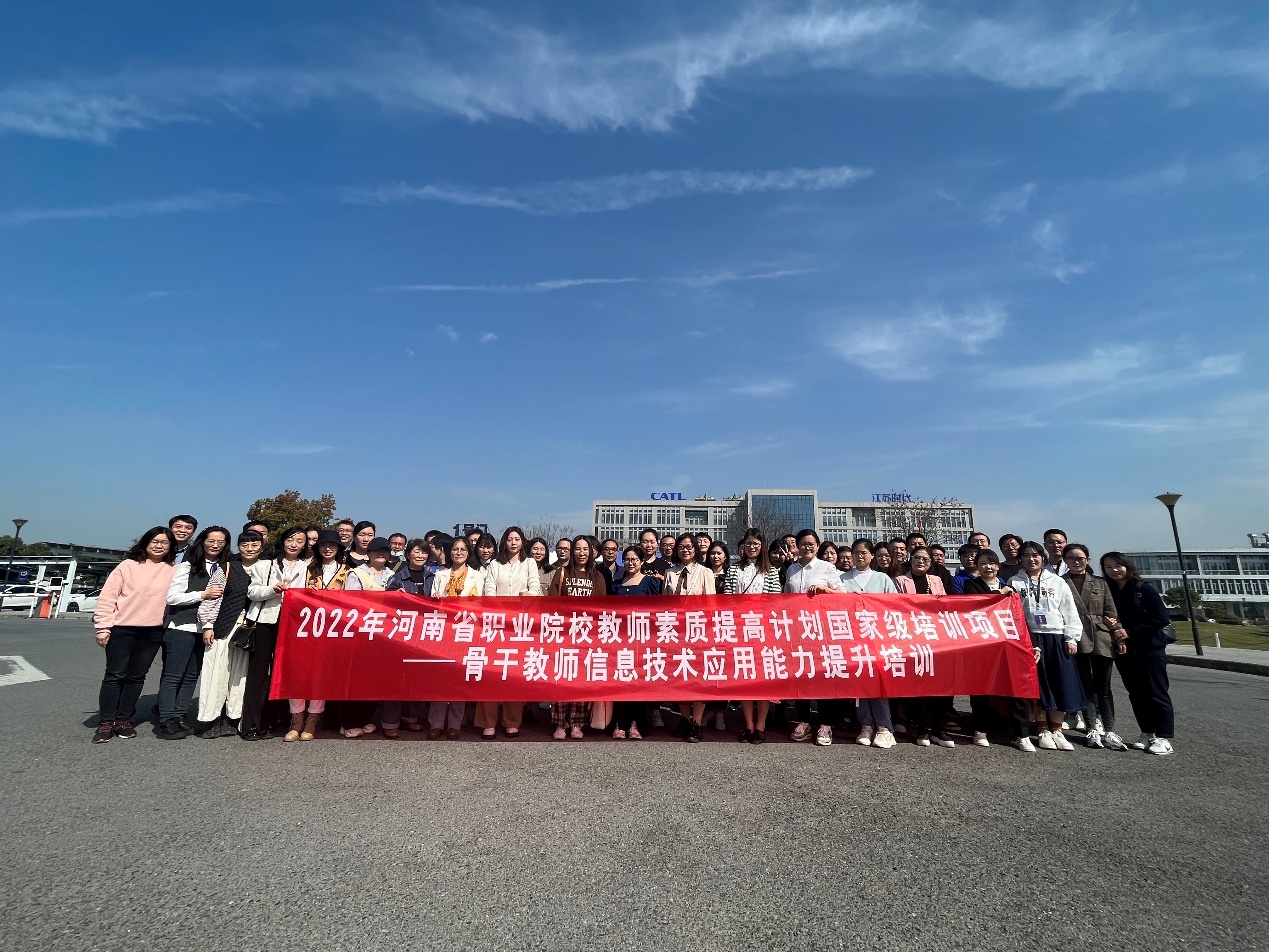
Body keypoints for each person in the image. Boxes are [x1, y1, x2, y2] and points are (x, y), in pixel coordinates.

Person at [92, 527, 178, 743]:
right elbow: (108, 597)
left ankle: (123, 719)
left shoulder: (174, 570)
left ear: (171, 547)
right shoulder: (127, 566)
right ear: (145, 543)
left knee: (137, 676)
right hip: (123, 628)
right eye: (155, 541)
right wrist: (103, 627)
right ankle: (106, 722)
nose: (159, 546)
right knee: (115, 675)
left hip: (154, 630)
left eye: (164, 542)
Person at [1010, 541, 1085, 751]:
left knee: (1060, 682)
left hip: (1056, 636)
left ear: (1043, 558)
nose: (1031, 559)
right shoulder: (1015, 582)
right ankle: (1042, 728)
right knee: (1038, 685)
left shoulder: (1057, 582)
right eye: (1026, 555)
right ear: (1020, 559)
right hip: (1030, 638)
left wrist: (1071, 638)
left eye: (1035, 555)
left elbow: (1069, 610)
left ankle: (1057, 730)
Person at [158, 526, 230, 739]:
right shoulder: (188, 566)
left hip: (206, 630)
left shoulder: (224, 567)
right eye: (211, 541)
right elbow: (172, 597)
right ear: (202, 542)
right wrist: (202, 594)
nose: (215, 545)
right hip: (181, 626)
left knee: (191, 675)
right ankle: (166, 719)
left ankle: (180, 715)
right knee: (173, 675)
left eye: (220, 542)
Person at [1101, 552, 1176, 756]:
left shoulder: (1143, 589)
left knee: (1156, 691)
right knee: (1136, 693)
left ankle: (1163, 737)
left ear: (1127, 566)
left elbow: (1161, 618)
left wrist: (1130, 632)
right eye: (1108, 567)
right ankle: (1147, 732)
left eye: (1117, 565)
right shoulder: (1110, 591)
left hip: (1150, 648)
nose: (1113, 570)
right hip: (1125, 649)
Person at [239, 526, 309, 741]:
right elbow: (252, 592)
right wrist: (272, 589)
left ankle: (272, 721)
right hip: (264, 621)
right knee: (258, 673)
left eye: (299, 541)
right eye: (290, 539)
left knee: (281, 673)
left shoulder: (306, 567)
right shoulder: (264, 564)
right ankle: (251, 723)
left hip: (291, 624)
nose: (294, 544)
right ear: (282, 541)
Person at [962, 549, 1036, 751]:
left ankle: (1022, 734)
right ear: (977, 567)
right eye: (983, 563)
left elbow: (1020, 617)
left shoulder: (1010, 588)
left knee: (1017, 688)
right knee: (981, 689)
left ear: (997, 566)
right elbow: (976, 604)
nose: (988, 567)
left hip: (1009, 644)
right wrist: (999, 594)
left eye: (992, 563)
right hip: (983, 645)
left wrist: (1031, 643)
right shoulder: (972, 584)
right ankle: (980, 730)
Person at [194, 529, 262, 739]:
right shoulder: (227, 567)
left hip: (248, 628)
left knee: (240, 675)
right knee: (216, 672)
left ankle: (233, 718)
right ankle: (211, 719)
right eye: (245, 544)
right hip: (224, 626)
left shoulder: (266, 568)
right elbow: (212, 597)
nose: (249, 548)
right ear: (238, 547)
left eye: (254, 544)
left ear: (262, 547)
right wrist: (207, 625)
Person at [783, 529, 846, 746]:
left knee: (822, 676)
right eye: (803, 543)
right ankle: (804, 722)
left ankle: (826, 724)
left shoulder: (826, 568)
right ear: (797, 546)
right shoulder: (791, 569)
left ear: (818, 546)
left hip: (821, 631)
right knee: (801, 674)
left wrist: (825, 590)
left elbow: (843, 595)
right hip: (797, 631)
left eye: (811, 543)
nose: (807, 547)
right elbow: (786, 597)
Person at [476, 526, 541, 739]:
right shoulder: (495, 564)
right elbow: (489, 591)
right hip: (497, 626)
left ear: (522, 542)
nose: (513, 543)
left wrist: (526, 596)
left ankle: (512, 721)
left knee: (514, 673)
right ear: (504, 542)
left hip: (520, 626)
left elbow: (535, 589)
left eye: (517, 539)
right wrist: (503, 608)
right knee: (491, 674)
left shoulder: (529, 563)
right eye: (509, 539)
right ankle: (488, 722)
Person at [1063, 543, 1126, 749]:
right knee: (1085, 686)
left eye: (1080, 558)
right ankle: (1091, 727)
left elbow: (1112, 612)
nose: (1076, 562)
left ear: (1087, 560)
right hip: (1076, 637)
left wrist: (1118, 636)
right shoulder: (1061, 582)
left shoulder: (1100, 583)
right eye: (1071, 558)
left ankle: (1109, 729)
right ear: (1065, 561)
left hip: (1101, 637)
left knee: (1104, 687)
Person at [837, 539, 899, 750]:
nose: (860, 556)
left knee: (879, 681)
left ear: (872, 555)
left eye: (864, 552)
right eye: (856, 552)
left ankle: (884, 727)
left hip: (878, 638)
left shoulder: (883, 579)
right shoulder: (842, 579)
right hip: (853, 639)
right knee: (861, 681)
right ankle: (866, 725)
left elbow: (894, 606)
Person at [721, 532, 781, 743]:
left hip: (763, 630)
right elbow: (727, 597)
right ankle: (748, 724)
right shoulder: (734, 569)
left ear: (762, 545)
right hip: (740, 628)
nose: (752, 547)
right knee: (745, 676)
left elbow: (774, 599)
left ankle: (761, 725)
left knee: (764, 679)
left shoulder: (771, 570)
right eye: (748, 543)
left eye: (756, 543)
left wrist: (757, 612)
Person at [894, 546, 955, 748]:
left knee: (942, 685)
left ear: (931, 562)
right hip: (911, 638)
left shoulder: (936, 581)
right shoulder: (900, 581)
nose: (921, 561)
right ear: (910, 560)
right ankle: (922, 728)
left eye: (925, 559)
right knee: (919, 685)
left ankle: (939, 728)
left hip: (935, 637)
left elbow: (945, 606)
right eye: (917, 558)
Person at [548, 536, 606, 739]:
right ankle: (559, 724)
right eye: (578, 549)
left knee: (581, 680)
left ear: (591, 552)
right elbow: (551, 602)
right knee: (562, 678)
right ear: (572, 552)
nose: (581, 553)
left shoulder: (597, 577)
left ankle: (577, 723)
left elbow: (602, 608)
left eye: (585, 549)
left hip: (586, 635)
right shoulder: (562, 572)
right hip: (564, 634)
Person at [339, 536, 396, 738]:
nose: (381, 554)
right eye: (376, 550)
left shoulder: (392, 575)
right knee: (356, 677)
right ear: (368, 553)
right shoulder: (357, 573)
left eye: (384, 551)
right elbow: (351, 603)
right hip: (361, 631)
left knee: (375, 677)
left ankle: (365, 718)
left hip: (384, 633)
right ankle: (349, 722)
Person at [661, 533, 716, 742]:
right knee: (680, 676)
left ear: (695, 549)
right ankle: (684, 719)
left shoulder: (705, 572)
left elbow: (711, 605)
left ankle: (696, 723)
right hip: (675, 632)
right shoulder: (670, 573)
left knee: (698, 678)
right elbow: (664, 604)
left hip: (698, 631)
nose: (685, 550)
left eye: (689, 546)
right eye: (681, 547)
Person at [610, 546, 662, 739]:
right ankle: (619, 723)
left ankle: (636, 724)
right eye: (627, 559)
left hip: (641, 639)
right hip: (620, 639)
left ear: (641, 562)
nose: (630, 563)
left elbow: (658, 610)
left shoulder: (650, 582)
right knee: (620, 682)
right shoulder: (616, 584)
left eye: (634, 559)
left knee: (638, 683)